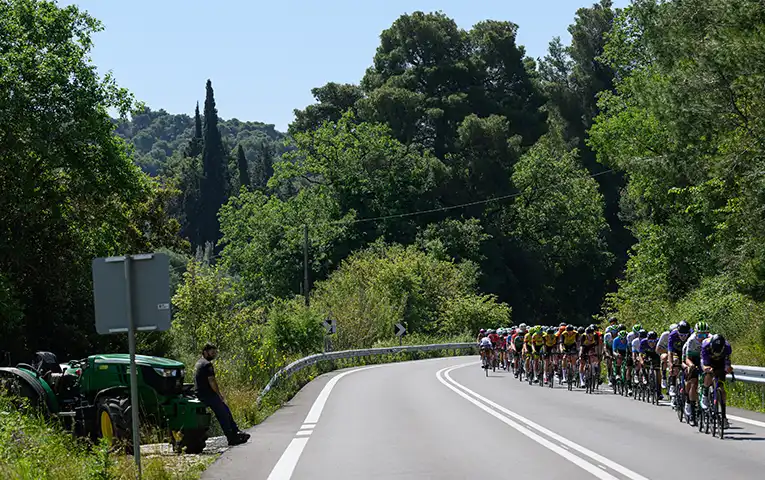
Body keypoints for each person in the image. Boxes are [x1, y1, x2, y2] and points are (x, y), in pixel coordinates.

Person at [194, 343, 250, 446]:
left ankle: (236, 432)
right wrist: (219, 394)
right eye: (212, 352)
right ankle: (232, 437)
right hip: (207, 395)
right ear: (205, 352)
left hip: (200, 393)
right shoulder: (207, 364)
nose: (214, 354)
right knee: (223, 412)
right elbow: (212, 381)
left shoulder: (199, 363)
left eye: (215, 352)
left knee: (225, 409)